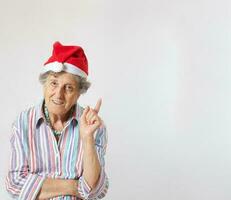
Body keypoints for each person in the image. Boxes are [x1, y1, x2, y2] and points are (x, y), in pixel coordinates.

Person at [5, 41, 109, 200]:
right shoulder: (23, 122)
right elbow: (14, 184)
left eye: (68, 88)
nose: (58, 95)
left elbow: (95, 190)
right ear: (44, 84)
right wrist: (75, 187)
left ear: (79, 93)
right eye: (54, 83)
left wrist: (87, 138)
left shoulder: (94, 126)